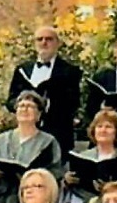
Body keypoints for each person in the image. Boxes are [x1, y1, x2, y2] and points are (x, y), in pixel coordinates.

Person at [0, 91, 64, 203]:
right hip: (3, 200)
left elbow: (55, 173)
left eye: (30, 106)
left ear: (38, 115)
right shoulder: (1, 140)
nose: (24, 109)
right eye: (21, 106)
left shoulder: (48, 142)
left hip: (33, 202)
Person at [6, 25, 82, 154]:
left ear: (57, 43)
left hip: (58, 134)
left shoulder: (70, 71)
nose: (44, 42)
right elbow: (10, 100)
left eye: (49, 39)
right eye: (39, 39)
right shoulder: (23, 70)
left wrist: (49, 104)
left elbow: (73, 103)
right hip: (26, 133)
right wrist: (24, 105)